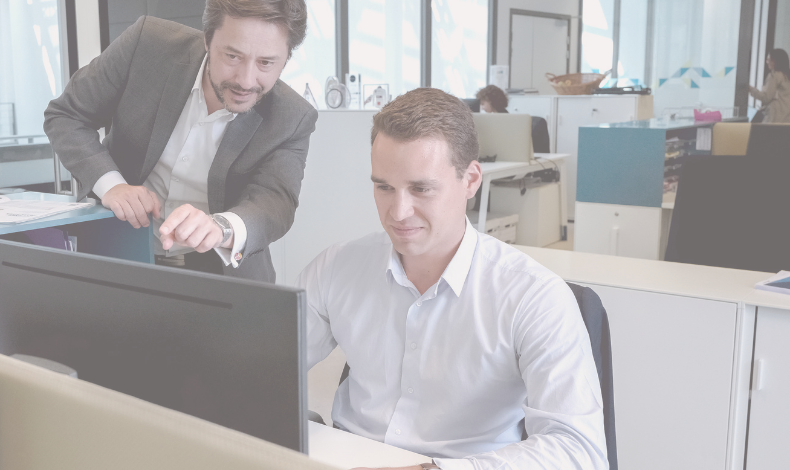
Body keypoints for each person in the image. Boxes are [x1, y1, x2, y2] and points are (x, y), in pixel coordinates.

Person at [299, 88, 607, 470]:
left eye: (421, 189)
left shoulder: (534, 297)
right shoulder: (336, 268)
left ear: (471, 180)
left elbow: (578, 452)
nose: (399, 211)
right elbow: (263, 366)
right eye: (384, 187)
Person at [44, 0, 315, 282]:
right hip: (116, 256)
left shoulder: (292, 117)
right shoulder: (147, 45)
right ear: (208, 39)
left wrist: (222, 228)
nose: (246, 81)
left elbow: (275, 202)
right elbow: (67, 115)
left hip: (223, 280)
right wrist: (112, 185)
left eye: (266, 63)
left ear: (287, 57)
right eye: (233, 56)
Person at [749, 48, 790, 123]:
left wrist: (750, 89)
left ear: (775, 61)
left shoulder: (775, 75)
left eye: (769, 59)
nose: (767, 62)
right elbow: (783, 99)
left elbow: (766, 97)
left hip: (779, 121)